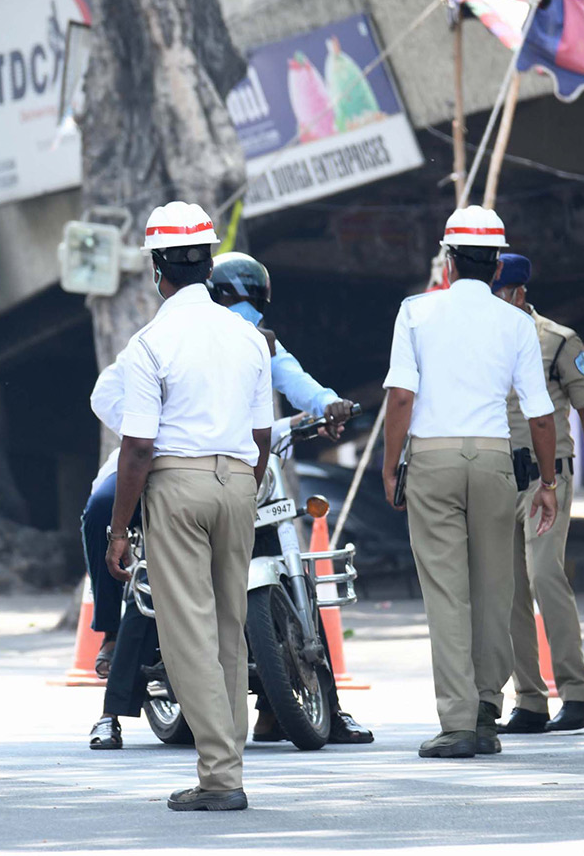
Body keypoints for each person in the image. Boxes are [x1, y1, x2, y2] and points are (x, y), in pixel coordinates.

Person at [85, 251, 371, 749]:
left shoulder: (254, 343)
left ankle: (309, 706)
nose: (248, 315)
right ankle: (116, 682)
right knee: (147, 569)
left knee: (288, 573)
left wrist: (324, 405)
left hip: (240, 474)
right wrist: (154, 437)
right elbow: (116, 405)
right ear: (211, 293)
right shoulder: (163, 338)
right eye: (237, 301)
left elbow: (286, 393)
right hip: (173, 467)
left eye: (254, 303)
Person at [103, 201, 271, 811]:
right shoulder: (248, 337)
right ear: (208, 260)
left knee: (187, 632)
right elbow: (263, 437)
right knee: (230, 626)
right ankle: (231, 762)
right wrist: (242, 485)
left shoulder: (151, 342)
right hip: (239, 483)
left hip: (179, 483)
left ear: (157, 268)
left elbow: (139, 446)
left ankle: (220, 776)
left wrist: (119, 530)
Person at [381, 206, 558, 759]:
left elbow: (401, 398)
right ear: (498, 261)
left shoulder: (415, 312)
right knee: (493, 588)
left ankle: (457, 723)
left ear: (450, 259)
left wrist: (391, 466)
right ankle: (485, 708)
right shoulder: (517, 323)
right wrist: (548, 481)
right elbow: (541, 413)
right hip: (493, 460)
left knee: (447, 593)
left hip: (432, 459)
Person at [490, 253, 584, 734]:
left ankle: (577, 693)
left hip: (547, 478)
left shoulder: (557, 341)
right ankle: (530, 700)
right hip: (501, 479)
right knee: (511, 590)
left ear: (518, 293)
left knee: (543, 576)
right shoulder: (480, 342)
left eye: (499, 292)